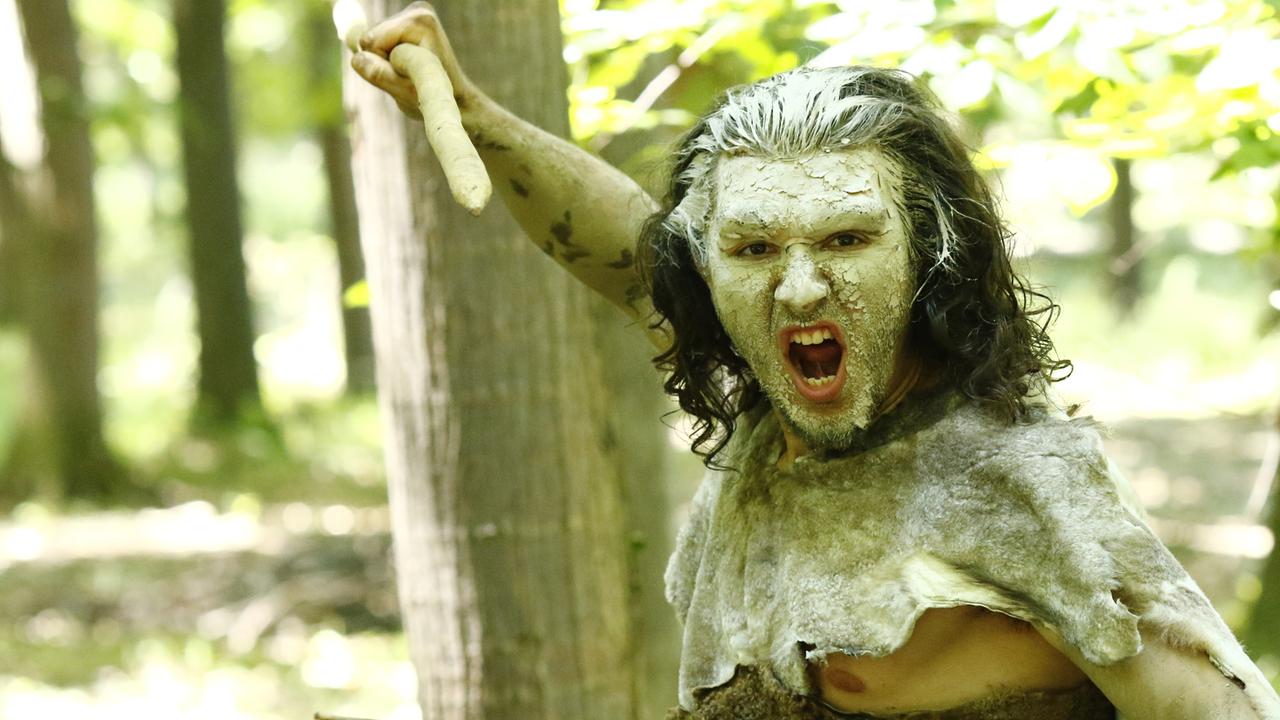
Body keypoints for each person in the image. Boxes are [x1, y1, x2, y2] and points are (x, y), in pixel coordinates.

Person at [351, 4, 1280, 718]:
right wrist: (470, 112)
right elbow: (631, 251)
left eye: (846, 239)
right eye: (754, 249)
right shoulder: (771, 425)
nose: (798, 289)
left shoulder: (1014, 486)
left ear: (927, 254)